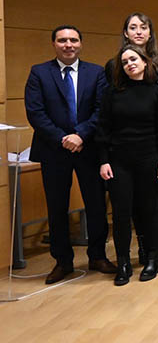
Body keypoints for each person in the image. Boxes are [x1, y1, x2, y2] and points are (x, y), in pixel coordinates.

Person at [25, 25, 116, 284]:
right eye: (62, 40)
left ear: (81, 43)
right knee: (57, 207)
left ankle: (98, 256)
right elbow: (35, 112)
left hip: (88, 148)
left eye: (73, 40)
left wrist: (80, 135)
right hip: (53, 150)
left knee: (96, 204)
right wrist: (63, 138)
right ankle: (62, 261)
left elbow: (102, 109)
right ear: (54, 44)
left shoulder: (96, 73)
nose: (68, 45)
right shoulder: (39, 73)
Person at [97, 45, 158, 285]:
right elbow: (103, 130)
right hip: (119, 161)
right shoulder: (112, 93)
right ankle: (124, 263)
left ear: (144, 61)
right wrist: (103, 161)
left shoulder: (157, 92)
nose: (130, 63)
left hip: (149, 159)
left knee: (149, 211)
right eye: (125, 61)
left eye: (134, 59)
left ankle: (151, 258)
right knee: (120, 214)